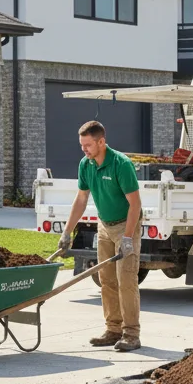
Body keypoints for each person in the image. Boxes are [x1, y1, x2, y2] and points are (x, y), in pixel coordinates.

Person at [59, 120, 143, 352]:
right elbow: (81, 199)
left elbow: (135, 205)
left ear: (101, 142)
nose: (83, 149)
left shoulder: (121, 164)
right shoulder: (85, 164)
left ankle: (131, 334)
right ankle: (113, 329)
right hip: (104, 226)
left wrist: (128, 238)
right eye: (81, 145)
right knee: (107, 280)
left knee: (126, 280)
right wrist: (67, 231)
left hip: (126, 225)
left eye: (87, 145)